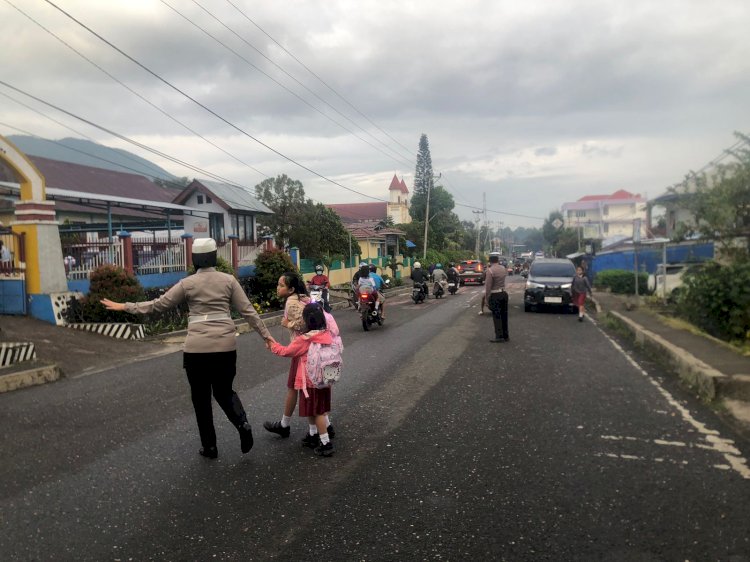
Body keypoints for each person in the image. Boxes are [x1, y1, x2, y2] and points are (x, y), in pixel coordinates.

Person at [101, 238, 273, 460]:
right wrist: (266, 336)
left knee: (201, 399)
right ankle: (243, 423)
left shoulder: (187, 283)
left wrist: (125, 306)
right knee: (224, 391)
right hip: (225, 348)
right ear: (213, 257)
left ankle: (210, 448)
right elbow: (248, 311)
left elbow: (158, 304)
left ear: (194, 259)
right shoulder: (229, 280)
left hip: (196, 352)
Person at [263, 273, 335, 441]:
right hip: (312, 351)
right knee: (304, 390)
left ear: (291, 289)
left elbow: (306, 324)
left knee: (300, 389)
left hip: (303, 351)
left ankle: (292, 427)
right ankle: (321, 427)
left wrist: (288, 324)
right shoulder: (303, 298)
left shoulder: (292, 302)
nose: (277, 287)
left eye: (281, 285)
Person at [485, 251, 509, 342]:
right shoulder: (503, 268)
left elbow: (488, 286)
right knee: (504, 315)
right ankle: (506, 335)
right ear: (498, 260)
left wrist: (487, 299)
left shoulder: (490, 270)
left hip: (495, 295)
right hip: (504, 294)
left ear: (490, 261)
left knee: (497, 316)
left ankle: (499, 336)